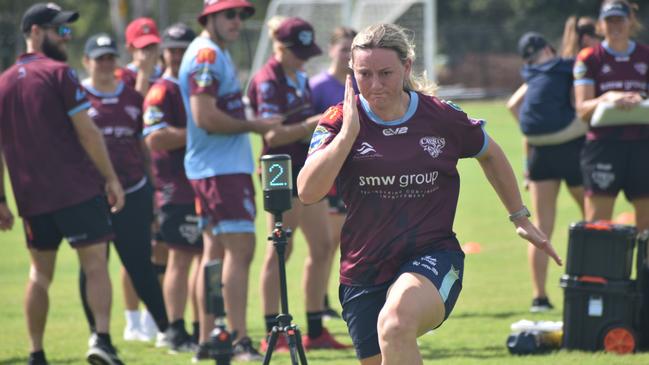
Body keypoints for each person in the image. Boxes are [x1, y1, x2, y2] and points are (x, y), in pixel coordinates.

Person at [297, 23, 562, 365]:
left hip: (432, 257)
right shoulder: (337, 121)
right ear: (351, 71)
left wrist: (519, 216)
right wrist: (349, 135)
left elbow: (491, 153)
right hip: (364, 269)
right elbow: (307, 192)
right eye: (364, 74)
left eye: (385, 73)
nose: (375, 85)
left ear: (406, 67)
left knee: (394, 324)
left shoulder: (439, 116)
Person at [0, 3, 125, 364]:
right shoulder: (60, 73)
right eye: (61, 31)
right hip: (77, 190)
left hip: (31, 199)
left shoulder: (4, 82)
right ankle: (101, 339)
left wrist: (1, 199)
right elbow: (87, 132)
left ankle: (36, 354)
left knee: (39, 273)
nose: (66, 38)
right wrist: (111, 178)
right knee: (96, 264)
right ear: (36, 32)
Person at [178, 0, 282, 361]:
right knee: (240, 251)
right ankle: (238, 340)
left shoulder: (211, 52)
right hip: (219, 171)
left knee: (214, 255)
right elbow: (204, 115)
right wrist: (256, 125)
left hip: (213, 169)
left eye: (241, 14)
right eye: (229, 14)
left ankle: (208, 340)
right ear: (209, 17)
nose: (238, 21)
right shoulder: (206, 55)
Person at [248, 16, 349, 352]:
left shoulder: (299, 76)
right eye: (299, 52)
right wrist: (315, 121)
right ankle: (270, 333)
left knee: (322, 246)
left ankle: (316, 329)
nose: (305, 58)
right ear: (281, 47)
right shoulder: (267, 80)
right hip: (278, 170)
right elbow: (272, 133)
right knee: (280, 249)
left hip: (304, 167)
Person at [78, 32, 171, 347]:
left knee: (140, 262)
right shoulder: (77, 97)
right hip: (90, 196)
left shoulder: (132, 98)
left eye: (109, 58)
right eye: (99, 58)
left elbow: (144, 148)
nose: (105, 64)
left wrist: (153, 187)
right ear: (86, 61)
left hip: (133, 190)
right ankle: (98, 335)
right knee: (93, 264)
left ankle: (166, 329)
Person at [506, 32, 587, 312]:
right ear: (549, 49)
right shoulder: (566, 67)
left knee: (541, 227)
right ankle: (592, 283)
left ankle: (539, 297)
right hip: (570, 148)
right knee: (593, 219)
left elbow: (512, 105)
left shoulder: (532, 74)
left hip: (539, 153)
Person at [143, 22, 202, 353]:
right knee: (180, 258)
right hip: (174, 188)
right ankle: (174, 329)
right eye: (173, 50)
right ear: (163, 52)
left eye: (183, 49)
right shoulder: (162, 89)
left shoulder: (193, 85)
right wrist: (199, 129)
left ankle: (199, 327)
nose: (178, 56)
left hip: (200, 185)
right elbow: (154, 137)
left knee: (203, 257)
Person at [574, 0, 649, 256]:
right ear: (601, 24)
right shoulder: (589, 58)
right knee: (598, 226)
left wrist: (640, 100)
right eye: (609, 21)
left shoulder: (645, 56)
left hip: (642, 145)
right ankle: (600, 290)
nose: (615, 26)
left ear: (631, 22)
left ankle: (643, 288)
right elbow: (582, 110)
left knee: (646, 229)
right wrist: (609, 98)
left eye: (619, 20)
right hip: (603, 148)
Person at [115, 16, 165, 341]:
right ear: (130, 48)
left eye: (152, 47)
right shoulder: (123, 78)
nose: (148, 53)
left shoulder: (164, 80)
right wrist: (143, 76)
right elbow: (130, 115)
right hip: (131, 176)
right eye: (142, 48)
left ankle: (152, 317)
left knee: (160, 248)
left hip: (161, 173)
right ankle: (132, 320)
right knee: (133, 250)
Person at [309, 26, 357, 320]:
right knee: (325, 243)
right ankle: (321, 300)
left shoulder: (362, 83)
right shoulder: (318, 86)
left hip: (354, 175)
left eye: (353, 50)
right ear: (331, 50)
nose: (347, 56)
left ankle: (325, 298)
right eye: (343, 49)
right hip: (329, 177)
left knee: (341, 242)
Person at [117, 17, 163, 96]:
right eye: (144, 47)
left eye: (152, 46)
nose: (150, 52)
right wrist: (143, 73)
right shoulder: (123, 76)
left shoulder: (164, 73)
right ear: (130, 48)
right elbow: (136, 105)